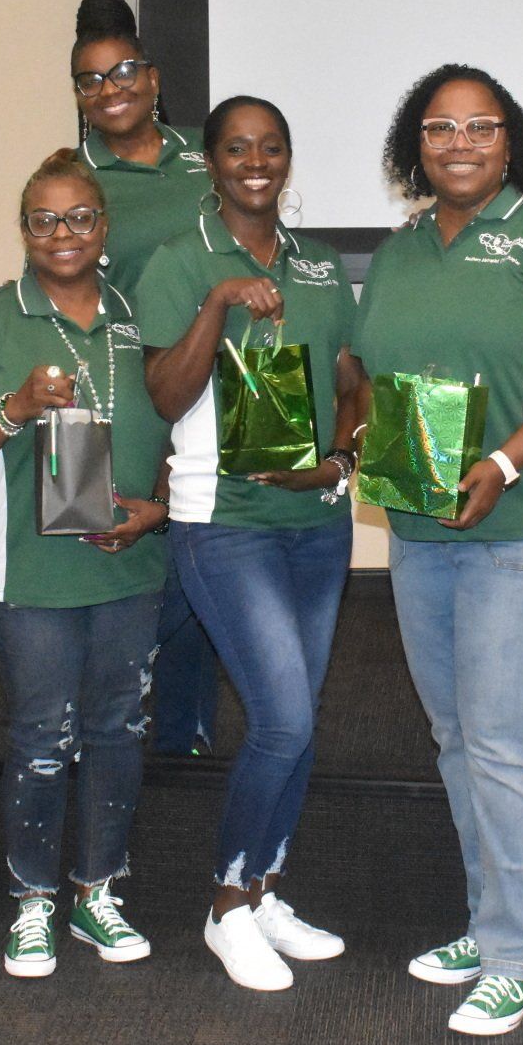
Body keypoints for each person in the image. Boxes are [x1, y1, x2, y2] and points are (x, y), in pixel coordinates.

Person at [354, 65, 523, 1035]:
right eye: (438, 128)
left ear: (510, 141)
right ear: (413, 145)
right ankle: (490, 919)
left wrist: (505, 461)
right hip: (422, 526)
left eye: (480, 126)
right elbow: (373, 372)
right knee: (458, 735)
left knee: (505, 740)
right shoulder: (400, 250)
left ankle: (518, 956)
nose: (459, 143)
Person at [135, 96, 365, 992]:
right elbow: (163, 393)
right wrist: (219, 301)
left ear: (288, 161)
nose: (255, 162)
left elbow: (351, 378)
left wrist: (340, 459)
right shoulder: (178, 260)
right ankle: (228, 905)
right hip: (222, 524)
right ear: (212, 163)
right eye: (237, 148)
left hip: (315, 526)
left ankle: (265, 887)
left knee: (295, 725)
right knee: (284, 718)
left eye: (271, 148)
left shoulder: (315, 268)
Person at [0, 150, 172, 980]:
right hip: (30, 574)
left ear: (103, 229)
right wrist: (16, 407)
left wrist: (159, 509)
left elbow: (182, 426)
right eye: (43, 220)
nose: (61, 234)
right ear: (25, 232)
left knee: (117, 730)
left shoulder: (140, 317)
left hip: (129, 563)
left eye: (78, 219)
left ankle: (97, 893)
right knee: (41, 734)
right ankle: (32, 904)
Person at [70, 0, 222, 757]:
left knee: (200, 553)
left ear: (154, 77)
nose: (112, 88)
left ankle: (184, 736)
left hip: (222, 387)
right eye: (92, 79)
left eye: (124, 69)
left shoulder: (208, 154)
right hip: (131, 391)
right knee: (140, 548)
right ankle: (110, 724)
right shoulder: (73, 178)